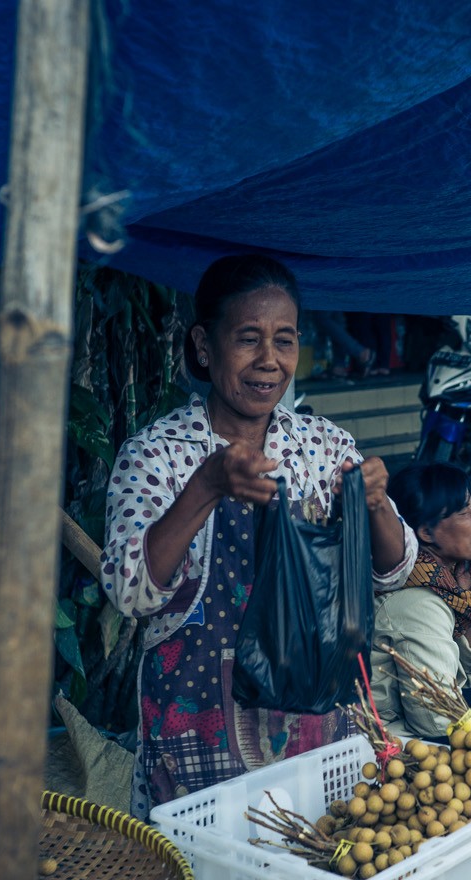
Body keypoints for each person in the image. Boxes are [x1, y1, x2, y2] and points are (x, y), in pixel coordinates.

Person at [100, 254, 418, 819]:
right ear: (204, 345)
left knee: (316, 877)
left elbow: (394, 570)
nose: (269, 361)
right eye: (248, 339)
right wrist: (206, 486)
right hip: (196, 735)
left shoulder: (323, 446)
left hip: (318, 732)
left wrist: (373, 507)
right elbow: (130, 592)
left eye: (285, 341)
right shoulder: (158, 455)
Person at [370, 462, 471, 740]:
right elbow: (437, 718)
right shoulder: (417, 604)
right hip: (394, 740)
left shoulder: (441, 586)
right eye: (464, 512)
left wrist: (470, 603)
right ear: (425, 533)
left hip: (420, 720)